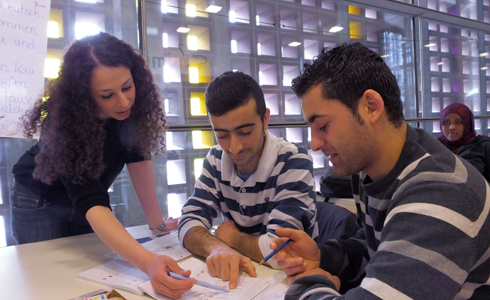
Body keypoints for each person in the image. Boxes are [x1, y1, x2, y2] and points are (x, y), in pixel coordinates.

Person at [269, 42, 490, 299]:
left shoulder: (441, 193)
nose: (315, 144)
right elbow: (377, 246)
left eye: (323, 126)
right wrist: (324, 257)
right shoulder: (372, 169)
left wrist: (308, 284)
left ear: (371, 107)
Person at [10, 32, 195, 299]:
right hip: (39, 201)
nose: (123, 101)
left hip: (88, 203)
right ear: (84, 96)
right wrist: (148, 262)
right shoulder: (63, 122)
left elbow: (138, 160)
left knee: (90, 278)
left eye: (127, 86)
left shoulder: (131, 109)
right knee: (48, 282)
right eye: (107, 95)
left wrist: (156, 224)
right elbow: (90, 199)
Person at [178, 71, 358, 290]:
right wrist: (216, 247)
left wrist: (232, 239)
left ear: (265, 119)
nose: (234, 148)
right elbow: (188, 221)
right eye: (222, 135)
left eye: (244, 132)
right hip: (245, 280)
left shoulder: (293, 159)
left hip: (288, 282)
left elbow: (278, 251)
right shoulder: (216, 159)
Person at [438, 103, 490, 182]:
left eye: (458, 122)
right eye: (447, 122)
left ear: (467, 124)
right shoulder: (435, 147)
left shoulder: (483, 145)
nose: (452, 127)